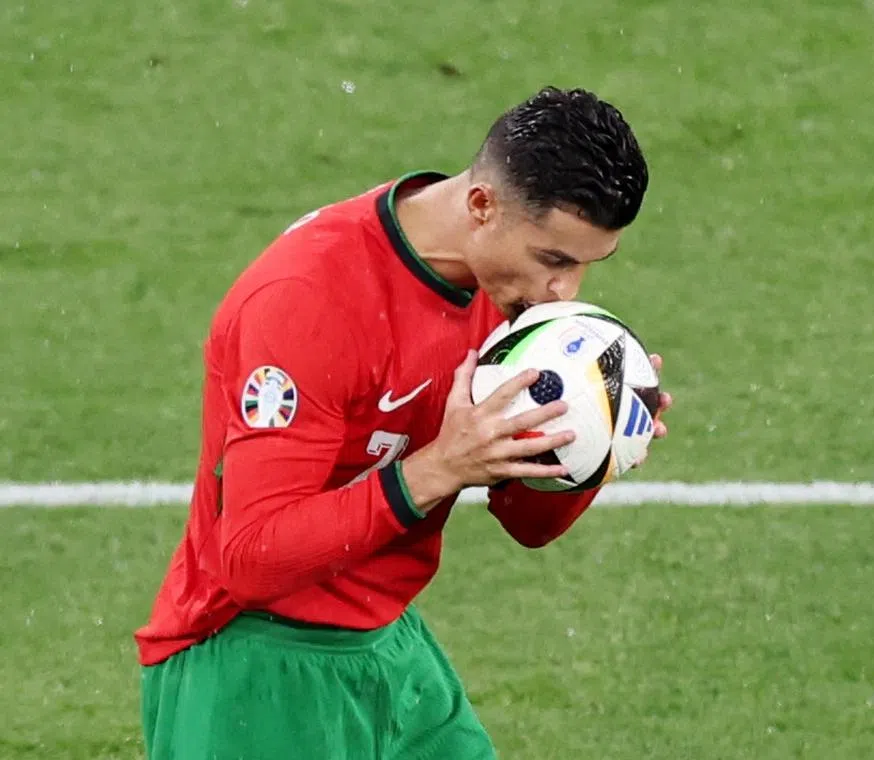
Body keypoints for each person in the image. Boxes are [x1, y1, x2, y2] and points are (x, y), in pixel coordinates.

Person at [134, 85, 672, 759]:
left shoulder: (511, 304)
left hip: (389, 650)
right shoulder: (310, 301)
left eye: (588, 266)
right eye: (554, 261)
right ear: (482, 206)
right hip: (253, 667)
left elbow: (525, 523)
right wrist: (440, 468)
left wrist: (592, 445)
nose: (565, 295)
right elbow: (250, 557)